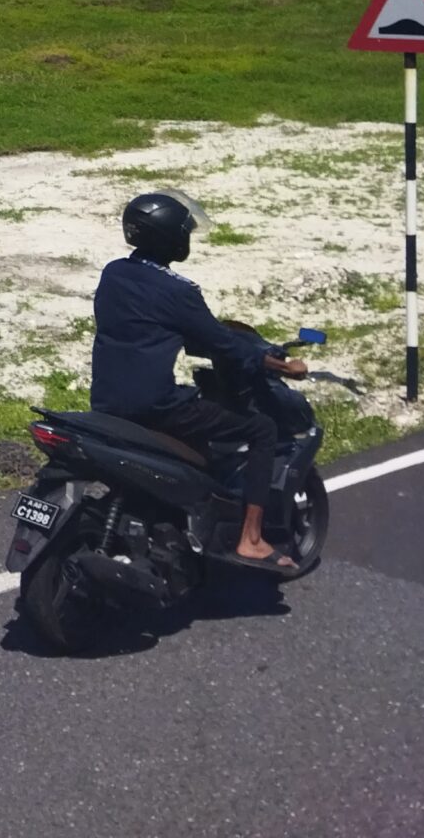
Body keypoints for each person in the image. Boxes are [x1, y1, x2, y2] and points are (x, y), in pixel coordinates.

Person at [91, 189, 309, 571]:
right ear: (172, 239)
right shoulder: (178, 291)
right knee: (261, 429)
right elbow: (223, 343)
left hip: (105, 403)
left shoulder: (114, 273)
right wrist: (282, 365)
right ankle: (251, 540)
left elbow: (147, 327)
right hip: (155, 407)